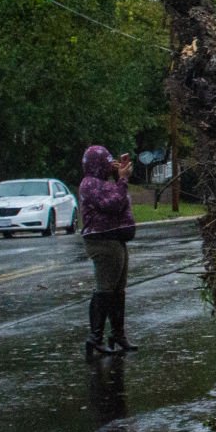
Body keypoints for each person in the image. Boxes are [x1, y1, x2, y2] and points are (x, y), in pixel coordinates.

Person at [79, 144, 138, 356]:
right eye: (107, 162)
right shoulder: (90, 184)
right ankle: (95, 337)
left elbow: (119, 198)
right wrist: (122, 179)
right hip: (102, 241)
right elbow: (113, 203)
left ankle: (117, 334)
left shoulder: (104, 183)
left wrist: (117, 176)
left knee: (117, 289)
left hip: (116, 239)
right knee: (105, 289)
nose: (109, 165)